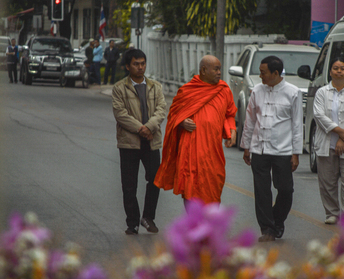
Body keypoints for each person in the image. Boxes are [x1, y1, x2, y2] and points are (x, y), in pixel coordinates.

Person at [154, 55, 237, 205]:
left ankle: (209, 223)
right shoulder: (187, 91)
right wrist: (182, 122)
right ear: (204, 70)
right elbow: (174, 116)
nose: (219, 72)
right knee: (190, 185)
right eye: (216, 69)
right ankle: (194, 222)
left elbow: (229, 114)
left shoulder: (223, 90)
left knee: (214, 184)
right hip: (191, 148)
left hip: (213, 149)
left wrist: (232, 130)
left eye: (220, 69)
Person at [240, 56, 303, 242]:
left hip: (282, 150)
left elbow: (297, 124)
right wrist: (246, 146)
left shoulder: (293, 92)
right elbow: (250, 119)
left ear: (276, 73)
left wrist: (296, 153)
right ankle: (267, 229)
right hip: (259, 149)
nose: (260, 76)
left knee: (285, 190)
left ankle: (277, 220)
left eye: (263, 72)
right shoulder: (257, 91)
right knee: (261, 191)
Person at [112, 49, 167, 235]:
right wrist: (141, 129)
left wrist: (149, 127)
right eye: (136, 64)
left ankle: (148, 217)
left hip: (151, 142)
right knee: (129, 185)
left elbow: (161, 110)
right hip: (129, 143)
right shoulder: (119, 88)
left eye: (143, 63)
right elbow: (120, 114)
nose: (140, 67)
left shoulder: (155, 87)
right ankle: (132, 222)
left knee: (155, 179)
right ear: (128, 66)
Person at [313, 57, 344, 225]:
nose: (339, 71)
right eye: (335, 68)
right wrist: (339, 131)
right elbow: (319, 116)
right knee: (327, 181)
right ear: (330, 71)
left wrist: (342, 138)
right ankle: (332, 212)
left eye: (342, 68)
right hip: (326, 143)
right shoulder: (322, 92)